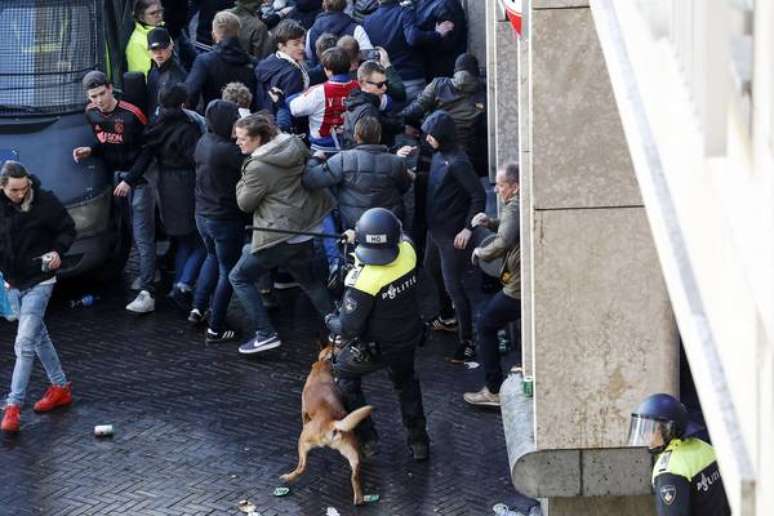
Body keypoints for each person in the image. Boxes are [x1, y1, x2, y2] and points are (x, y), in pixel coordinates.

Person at [326, 208, 430, 461]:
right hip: (406, 338)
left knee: (344, 377)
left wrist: (329, 319)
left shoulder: (364, 281)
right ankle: (419, 442)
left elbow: (348, 327)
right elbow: (400, 236)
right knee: (406, 384)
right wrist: (360, 240)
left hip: (374, 348)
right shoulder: (408, 251)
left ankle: (368, 439)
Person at [229, 113, 335, 354]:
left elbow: (244, 203)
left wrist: (241, 179)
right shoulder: (294, 144)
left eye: (243, 138)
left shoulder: (257, 167)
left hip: (279, 233)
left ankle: (265, 333)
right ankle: (340, 330)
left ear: (258, 139)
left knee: (239, 277)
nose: (237, 142)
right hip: (306, 227)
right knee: (311, 282)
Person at [0, 161, 76, 433]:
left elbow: (68, 228)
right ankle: (60, 387)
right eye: (14, 191)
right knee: (38, 337)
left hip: (41, 280)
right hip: (13, 282)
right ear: (2, 187)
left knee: (24, 343)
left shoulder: (46, 202)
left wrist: (58, 251)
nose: (20, 195)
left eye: (24, 188)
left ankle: (13, 406)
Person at [72, 71, 154, 313]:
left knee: (141, 233)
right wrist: (91, 150)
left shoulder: (132, 114)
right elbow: (109, 141)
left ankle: (148, 289)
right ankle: (144, 274)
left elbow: (147, 150)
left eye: (101, 94)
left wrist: (130, 179)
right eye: (93, 96)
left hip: (137, 180)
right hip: (116, 178)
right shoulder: (91, 113)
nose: (98, 100)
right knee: (125, 227)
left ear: (110, 88)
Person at [125, 84, 205, 311]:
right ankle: (183, 284)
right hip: (186, 185)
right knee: (199, 241)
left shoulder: (156, 126)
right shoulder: (188, 128)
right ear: (183, 104)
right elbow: (195, 158)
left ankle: (179, 285)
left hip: (164, 185)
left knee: (181, 239)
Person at [421, 110, 484, 362]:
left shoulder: (457, 162)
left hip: (450, 234)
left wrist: (468, 228)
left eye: (431, 135)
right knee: (431, 270)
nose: (427, 139)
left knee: (453, 286)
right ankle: (447, 316)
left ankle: (467, 340)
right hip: (436, 230)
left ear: (442, 137)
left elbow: (478, 195)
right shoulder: (441, 156)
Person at [463, 163, 520, 406]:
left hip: (518, 286)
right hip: (520, 280)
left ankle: (494, 390)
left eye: (501, 185)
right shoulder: (518, 203)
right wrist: (490, 223)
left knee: (485, 324)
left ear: (514, 187)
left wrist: (481, 252)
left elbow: (505, 239)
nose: (496, 190)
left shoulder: (514, 207)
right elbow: (510, 229)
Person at [190, 100, 244, 343]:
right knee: (228, 272)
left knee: (211, 257)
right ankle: (216, 327)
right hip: (224, 218)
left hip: (203, 214)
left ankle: (198, 308)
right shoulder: (228, 150)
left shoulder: (204, 142)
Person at [628, 394, 731, 516]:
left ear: (669, 429)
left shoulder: (669, 471)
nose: (645, 436)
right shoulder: (705, 447)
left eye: (651, 429)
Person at [303, 116, 413, 229]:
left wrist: (315, 159)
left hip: (354, 225)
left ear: (356, 136)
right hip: (387, 221)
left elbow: (310, 180)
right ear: (379, 136)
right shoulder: (396, 162)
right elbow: (404, 187)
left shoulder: (343, 159)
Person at [401, 53, 487, 176]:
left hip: (433, 149)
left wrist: (396, 122)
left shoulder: (438, 85)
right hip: (465, 154)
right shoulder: (483, 92)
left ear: (456, 71)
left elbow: (414, 111)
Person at [364, 0, 454, 103]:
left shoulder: (368, 21)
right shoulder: (405, 12)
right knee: (420, 116)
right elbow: (413, 38)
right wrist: (437, 34)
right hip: (411, 79)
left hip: (387, 83)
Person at [287, 47, 359, 154]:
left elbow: (295, 109)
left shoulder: (318, 92)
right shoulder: (359, 86)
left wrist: (299, 95)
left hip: (322, 151)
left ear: (327, 70)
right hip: (353, 147)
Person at [186, 10, 257, 112]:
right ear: (238, 33)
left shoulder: (204, 61)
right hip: (247, 122)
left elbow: (190, 93)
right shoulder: (253, 63)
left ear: (214, 35)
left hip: (213, 120)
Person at [254, 19, 309, 124]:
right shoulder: (293, 73)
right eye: (296, 44)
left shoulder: (267, 62)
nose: (302, 47)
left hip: (267, 121)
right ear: (281, 46)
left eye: (303, 42)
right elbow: (295, 110)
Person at [341, 60, 403, 149]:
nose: (385, 88)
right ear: (362, 83)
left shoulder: (357, 101)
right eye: (380, 85)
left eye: (386, 83)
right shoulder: (368, 110)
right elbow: (369, 150)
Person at [305, 0, 373, 68]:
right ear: (345, 4)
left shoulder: (311, 31)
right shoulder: (356, 29)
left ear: (324, 3)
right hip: (352, 75)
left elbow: (309, 56)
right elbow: (369, 57)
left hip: (321, 76)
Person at [414, 0, 467, 82]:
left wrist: (435, 35)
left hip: (441, 73)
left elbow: (447, 42)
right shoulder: (424, 3)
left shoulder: (446, 5)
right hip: (430, 70)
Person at [146, 27, 188, 119]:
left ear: (170, 46)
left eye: (162, 48)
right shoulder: (154, 68)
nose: (158, 53)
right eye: (154, 49)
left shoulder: (176, 77)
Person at [127, 0, 166, 77]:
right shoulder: (137, 43)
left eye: (160, 11)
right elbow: (143, 76)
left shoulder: (161, 29)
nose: (159, 16)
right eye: (153, 13)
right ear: (141, 17)